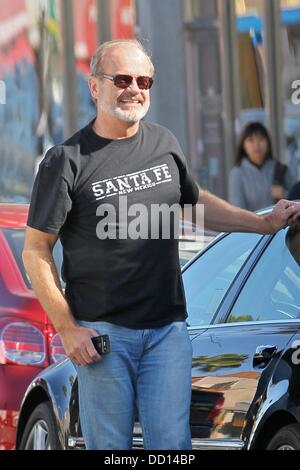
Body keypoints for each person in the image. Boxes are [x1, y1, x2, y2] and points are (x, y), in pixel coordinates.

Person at [22, 39, 300, 451]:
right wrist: (68, 329)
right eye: (122, 79)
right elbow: (36, 251)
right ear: (95, 87)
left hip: (167, 332)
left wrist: (262, 223)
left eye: (143, 80)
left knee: (172, 448)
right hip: (104, 335)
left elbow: (195, 204)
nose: (134, 88)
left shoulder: (163, 144)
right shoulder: (67, 160)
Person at [229, 122, 295, 211]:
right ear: (243, 145)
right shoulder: (237, 173)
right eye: (251, 140)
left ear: (268, 142)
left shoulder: (280, 169)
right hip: (250, 224)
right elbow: (237, 210)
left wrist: (284, 194)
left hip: (282, 225)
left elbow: (296, 200)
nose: (256, 145)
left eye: (261, 139)